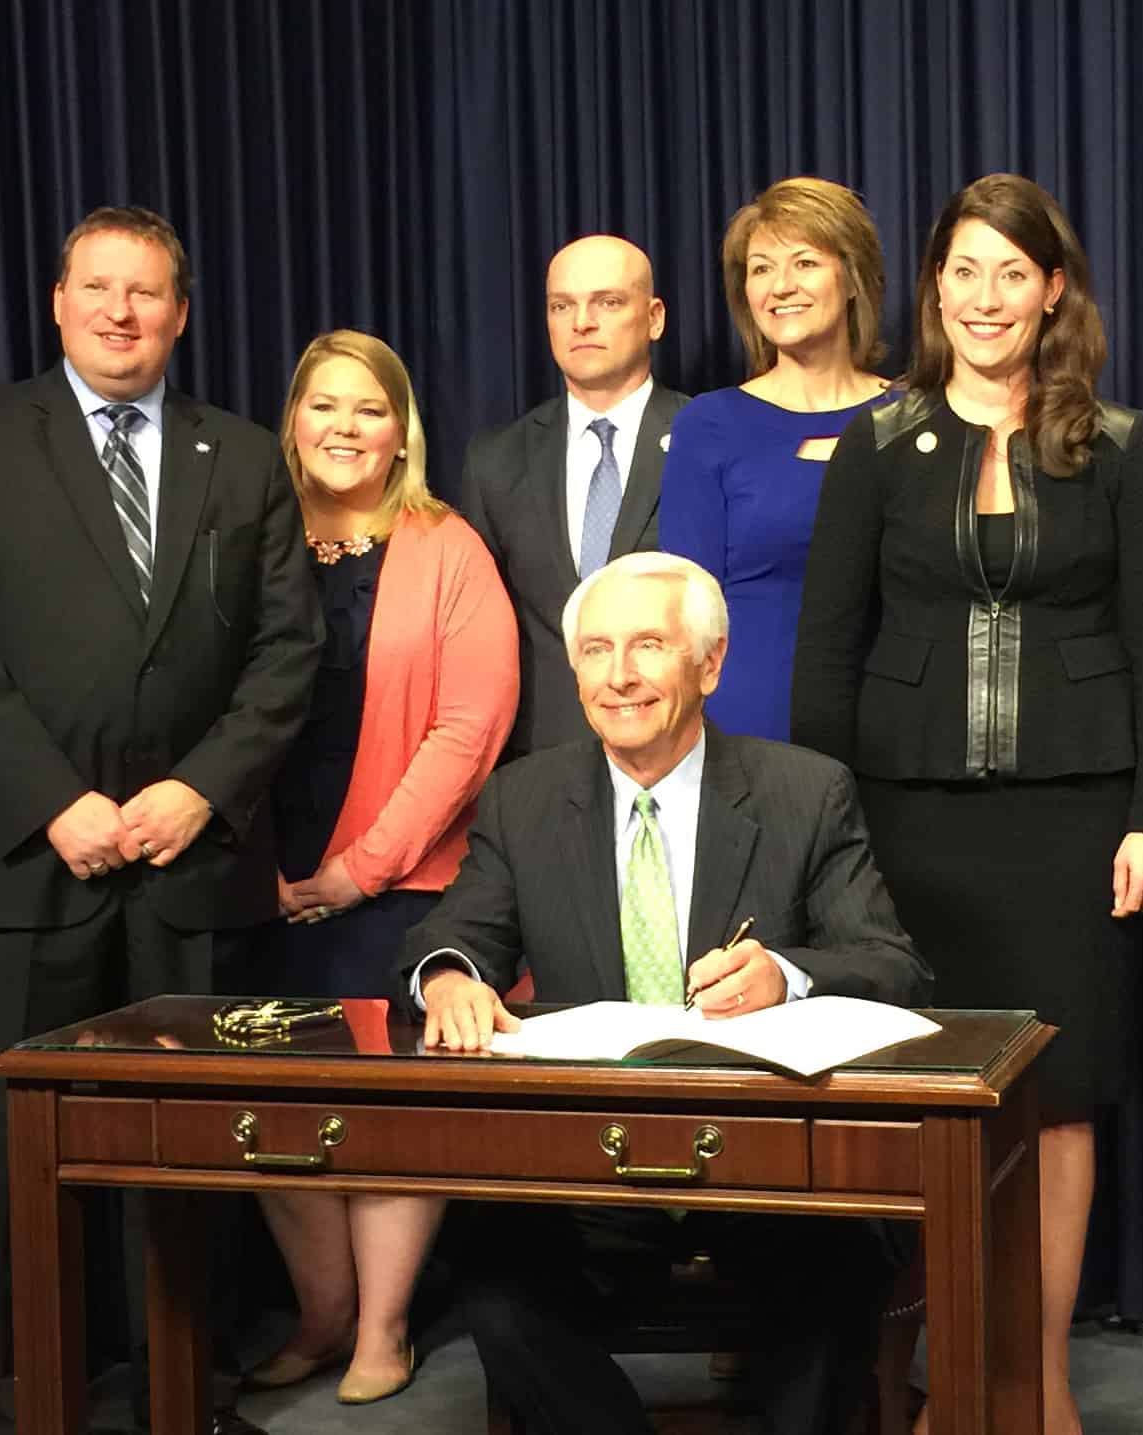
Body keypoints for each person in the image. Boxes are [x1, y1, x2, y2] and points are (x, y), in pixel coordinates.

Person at [0, 205, 317, 1435]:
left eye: (146, 293)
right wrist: (53, 802)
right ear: (58, 300)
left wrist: (202, 787)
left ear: (180, 313)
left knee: (188, 1156)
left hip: (192, 861)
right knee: (3, 1163)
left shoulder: (239, 456)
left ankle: (184, 1394)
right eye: (98, 288)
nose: (120, 312)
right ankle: (21, 1404)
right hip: (23, 864)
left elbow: (288, 649)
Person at [790, 172, 1143, 1435]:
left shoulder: (1121, 447)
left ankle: (1034, 1377)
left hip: (1075, 824)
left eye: (1009, 273)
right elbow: (826, 650)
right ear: (932, 290)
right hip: (904, 824)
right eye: (962, 272)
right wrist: (823, 840)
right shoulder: (875, 443)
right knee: (916, 1104)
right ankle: (940, 1372)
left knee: (1057, 1103)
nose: (983, 297)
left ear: (1052, 290)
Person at [399, 551, 930, 1435]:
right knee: (490, 1285)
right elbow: (455, 934)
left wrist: (785, 975)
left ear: (710, 664)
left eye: (649, 645)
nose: (620, 676)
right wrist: (451, 973)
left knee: (840, 1270)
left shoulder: (805, 790)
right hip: (587, 1173)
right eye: (598, 651)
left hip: (768, 1171)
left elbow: (889, 961)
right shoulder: (524, 799)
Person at [238, 330, 517, 1404]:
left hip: (393, 884)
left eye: (369, 408)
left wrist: (358, 869)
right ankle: (322, 1313)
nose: (345, 428)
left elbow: (467, 728)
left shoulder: (446, 546)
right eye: (324, 405)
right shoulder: (250, 535)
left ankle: (383, 1329)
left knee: (386, 1107)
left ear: (402, 431)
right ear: (292, 421)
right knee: (271, 1109)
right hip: (254, 879)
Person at [659, 177, 892, 740]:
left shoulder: (916, 420)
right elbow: (688, 608)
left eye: (805, 263)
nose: (781, 286)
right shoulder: (708, 426)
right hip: (751, 732)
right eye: (761, 268)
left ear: (852, 276)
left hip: (895, 731)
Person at [457, 234, 689, 756]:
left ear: (653, 318)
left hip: (679, 751)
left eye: (607, 302)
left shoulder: (707, 438)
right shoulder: (495, 460)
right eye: (563, 306)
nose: (581, 321)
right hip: (540, 763)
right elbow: (478, 642)